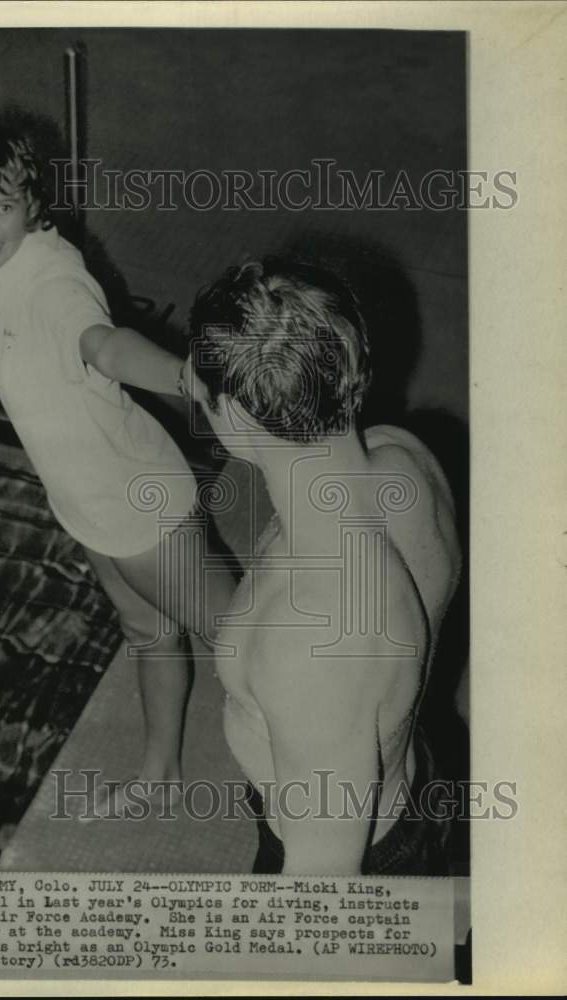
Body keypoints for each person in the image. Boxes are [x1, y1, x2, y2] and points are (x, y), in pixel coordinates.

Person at [0, 35, 235, 814]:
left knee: (249, 646)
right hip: (87, 503)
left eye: (3, 207)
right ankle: (161, 773)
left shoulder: (51, 279)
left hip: (139, 503)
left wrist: (191, 380)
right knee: (148, 635)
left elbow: (104, 345)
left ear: (35, 207)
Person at [185, 256, 462, 874]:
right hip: (410, 784)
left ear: (229, 414)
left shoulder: (312, 644)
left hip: (358, 861)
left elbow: (319, 911)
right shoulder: (406, 458)